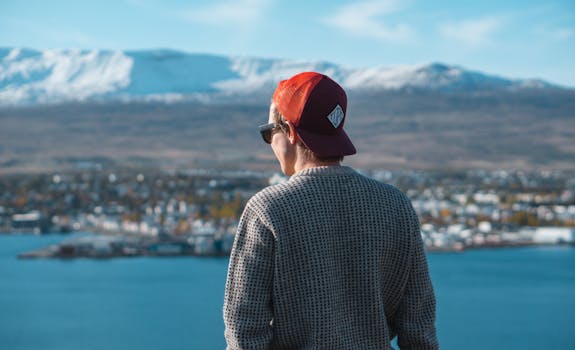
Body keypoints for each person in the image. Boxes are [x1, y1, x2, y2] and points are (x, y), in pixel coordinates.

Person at [223, 72, 438, 349]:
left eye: (268, 133)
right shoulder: (396, 206)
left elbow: (243, 331)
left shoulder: (267, 210)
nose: (270, 144)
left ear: (289, 131)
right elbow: (418, 328)